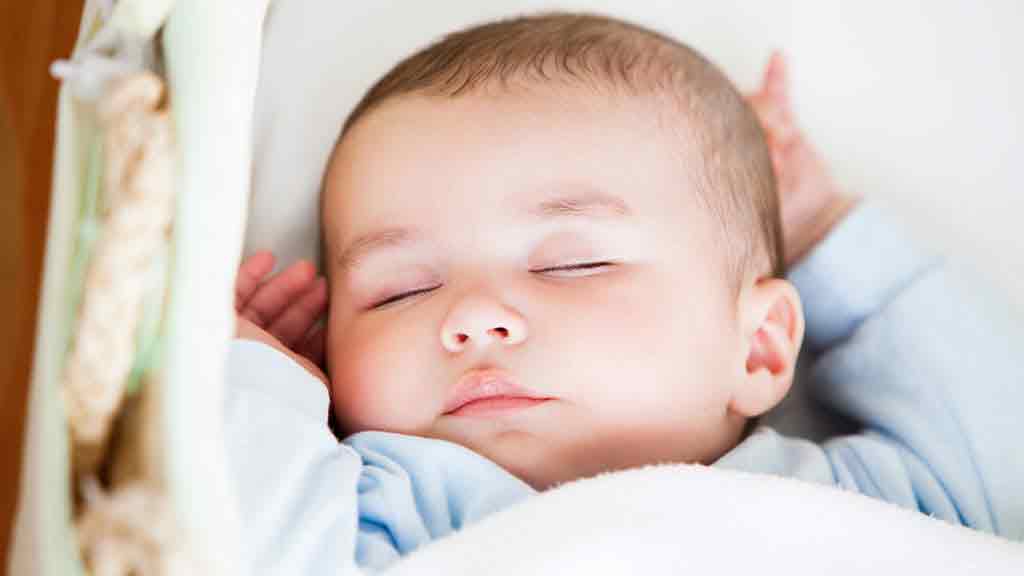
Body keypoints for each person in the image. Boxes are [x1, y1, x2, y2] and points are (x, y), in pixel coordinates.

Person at [227, 13, 1023, 573]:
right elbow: (233, 546)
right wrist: (259, 386)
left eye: (571, 266)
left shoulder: (860, 503)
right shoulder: (384, 502)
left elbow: (1002, 438)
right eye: (402, 290)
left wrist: (823, 231)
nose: (470, 317)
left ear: (757, 345)